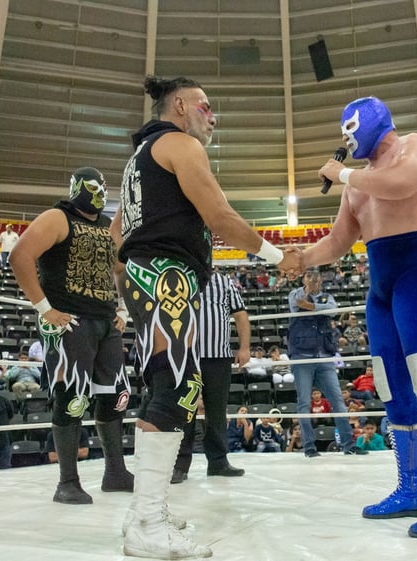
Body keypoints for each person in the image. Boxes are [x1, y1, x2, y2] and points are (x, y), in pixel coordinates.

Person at [110, 75, 300, 559]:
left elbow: (115, 236)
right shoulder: (179, 145)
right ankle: (146, 522)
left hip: (151, 274)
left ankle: (147, 511)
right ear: (179, 105)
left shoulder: (139, 160)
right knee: (176, 386)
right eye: (206, 106)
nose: (212, 116)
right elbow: (221, 218)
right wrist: (281, 258)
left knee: (172, 384)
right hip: (165, 273)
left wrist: (129, 292)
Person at [301, 96, 417, 538]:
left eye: (350, 127)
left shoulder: (415, 146)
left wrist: (343, 174)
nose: (346, 137)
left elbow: (401, 184)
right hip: (381, 284)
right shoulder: (358, 183)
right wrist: (298, 258)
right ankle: (412, 489)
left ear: (373, 121)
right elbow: (338, 241)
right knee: (389, 383)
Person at [10, 166, 134, 505]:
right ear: (77, 187)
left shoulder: (105, 226)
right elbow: (20, 255)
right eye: (93, 186)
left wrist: (121, 309)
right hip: (69, 321)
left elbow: (119, 269)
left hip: (105, 321)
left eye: (103, 187)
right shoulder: (56, 217)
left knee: (114, 396)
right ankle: (67, 481)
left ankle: (115, 472)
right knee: (71, 397)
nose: (99, 192)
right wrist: (43, 308)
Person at [171, 269, 251, 483]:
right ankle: (180, 464)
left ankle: (218, 462)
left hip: (218, 356)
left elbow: (240, 314)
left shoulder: (224, 282)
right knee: (185, 411)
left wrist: (244, 347)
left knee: (216, 411)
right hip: (186, 356)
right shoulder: (180, 277)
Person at [287, 270, 366, 456]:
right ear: (303, 278)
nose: (313, 280)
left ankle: (349, 445)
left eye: (315, 278)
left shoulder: (327, 297)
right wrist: (307, 293)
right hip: (302, 354)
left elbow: (332, 310)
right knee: (304, 402)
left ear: (321, 280)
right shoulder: (295, 293)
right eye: (308, 277)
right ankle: (309, 448)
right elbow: (295, 306)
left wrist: (309, 306)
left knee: (338, 400)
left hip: (325, 355)